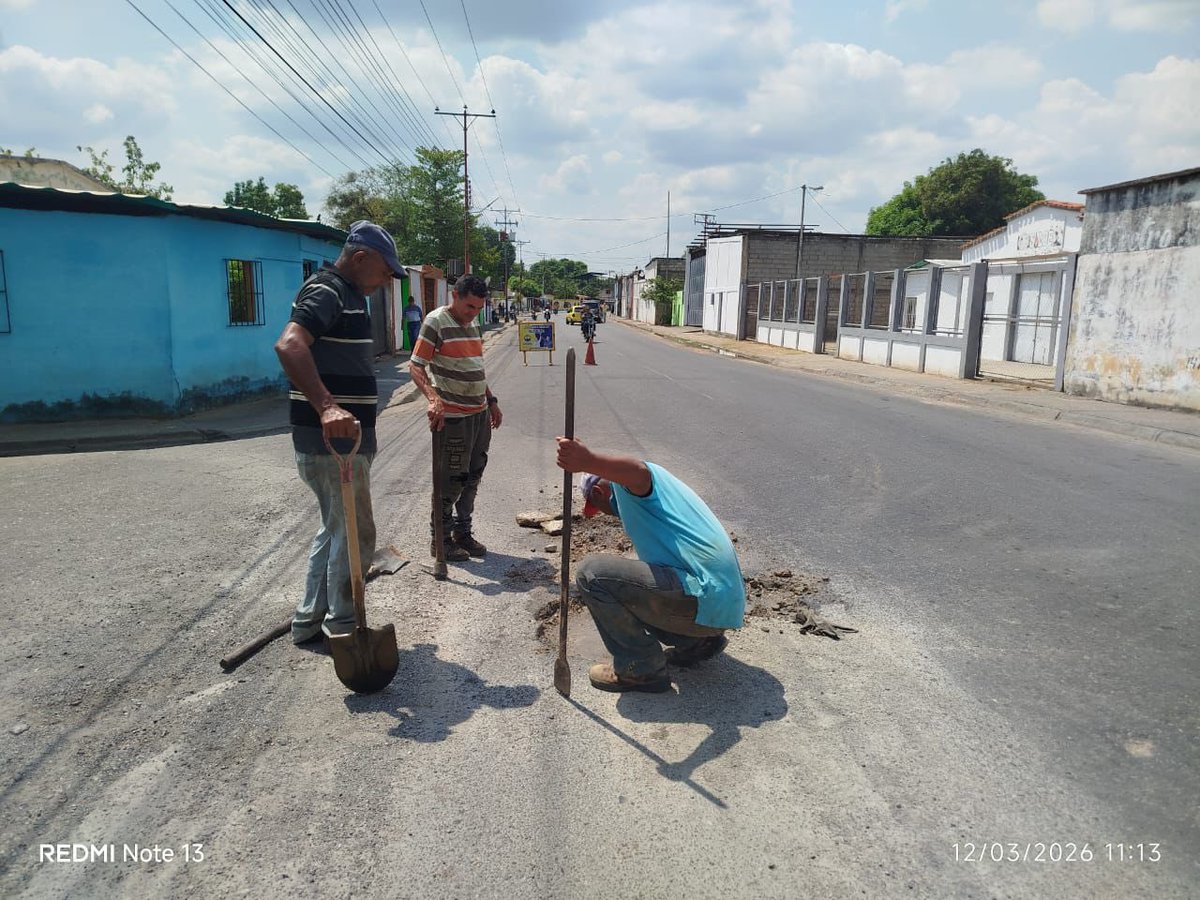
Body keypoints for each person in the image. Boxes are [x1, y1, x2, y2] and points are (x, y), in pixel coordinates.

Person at [274, 220, 404, 643]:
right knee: (355, 532)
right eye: (386, 271)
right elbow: (290, 344)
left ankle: (309, 619)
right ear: (360, 257)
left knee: (334, 528)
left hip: (341, 443)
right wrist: (328, 407)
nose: (388, 281)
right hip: (332, 443)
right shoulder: (328, 289)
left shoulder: (346, 295)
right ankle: (345, 626)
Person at [555, 437, 746, 693]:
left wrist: (588, 461)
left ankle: (639, 669)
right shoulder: (664, 497)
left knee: (593, 574)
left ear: (599, 493)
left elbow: (638, 471)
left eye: (597, 507)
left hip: (703, 596)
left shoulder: (630, 486)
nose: (602, 513)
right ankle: (696, 643)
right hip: (722, 605)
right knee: (634, 583)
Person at [410, 274, 503, 562]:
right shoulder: (436, 322)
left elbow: (475, 367)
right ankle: (440, 540)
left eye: (478, 308)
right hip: (453, 418)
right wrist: (433, 399)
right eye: (469, 307)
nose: (473, 313)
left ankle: (462, 533)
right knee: (451, 479)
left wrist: (491, 401)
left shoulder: (472, 323)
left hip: (479, 414)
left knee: (473, 477)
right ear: (454, 296)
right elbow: (416, 366)